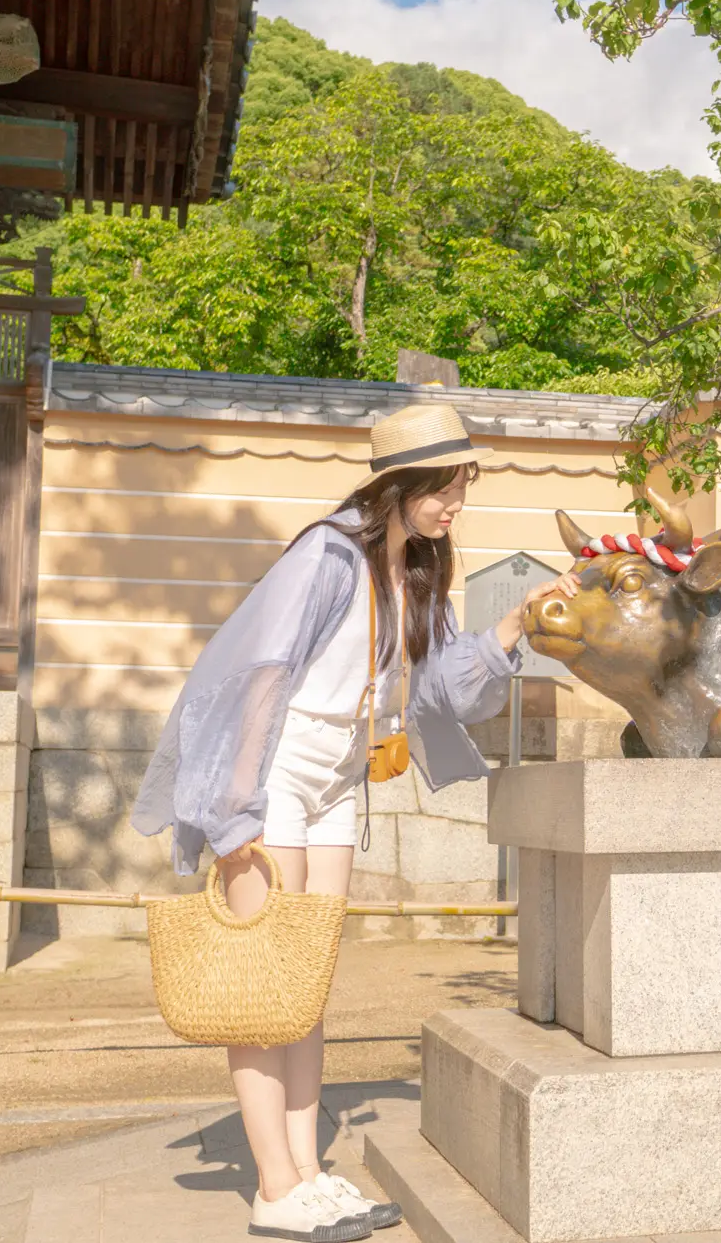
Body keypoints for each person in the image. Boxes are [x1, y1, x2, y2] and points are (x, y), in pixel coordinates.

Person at [131, 403, 577, 1243]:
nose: (456, 503)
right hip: (276, 777)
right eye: (446, 487)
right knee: (263, 988)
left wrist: (514, 624)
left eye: (461, 486)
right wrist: (233, 815)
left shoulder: (415, 571)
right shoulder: (327, 555)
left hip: (339, 781)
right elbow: (257, 674)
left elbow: (442, 685)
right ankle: (274, 1185)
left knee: (306, 980)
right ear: (399, 486)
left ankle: (305, 1170)